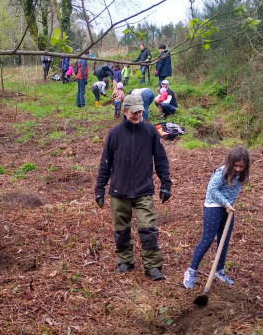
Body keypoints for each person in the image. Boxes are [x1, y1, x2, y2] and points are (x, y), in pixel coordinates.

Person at [95, 93, 172, 281]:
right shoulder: (114, 134)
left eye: (141, 112)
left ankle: (153, 266)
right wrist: (99, 188)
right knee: (121, 230)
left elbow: (161, 160)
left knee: (148, 229)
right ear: (125, 111)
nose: (138, 116)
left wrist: (166, 184)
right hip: (118, 191)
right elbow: (105, 163)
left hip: (143, 189)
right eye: (134, 112)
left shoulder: (150, 131)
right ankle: (125, 261)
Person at [182, 146, 250, 289]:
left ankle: (219, 272)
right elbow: (212, 190)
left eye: (241, 167)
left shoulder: (244, 175)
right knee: (207, 239)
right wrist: (225, 203)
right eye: (236, 166)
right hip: (213, 206)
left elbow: (237, 188)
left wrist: (229, 204)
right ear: (231, 162)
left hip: (228, 208)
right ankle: (191, 271)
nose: (238, 169)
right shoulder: (222, 172)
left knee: (224, 241)